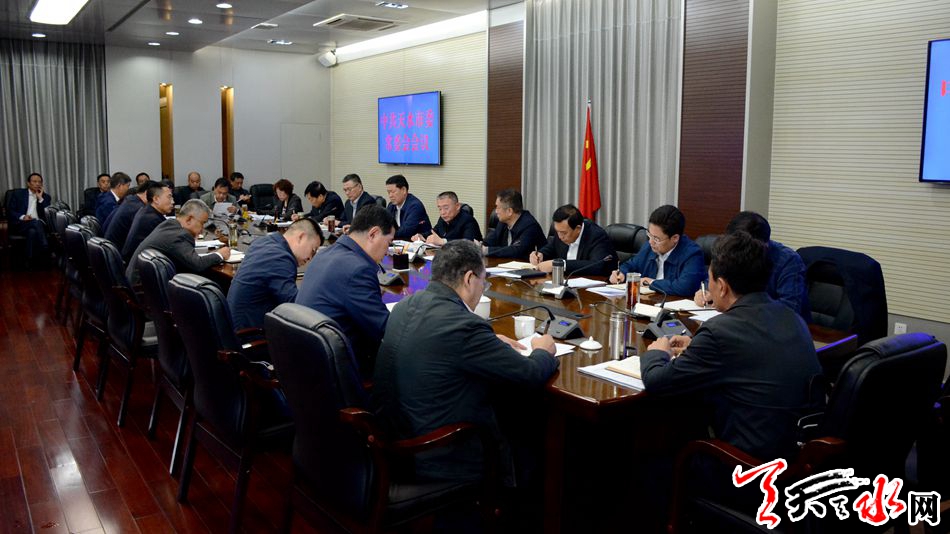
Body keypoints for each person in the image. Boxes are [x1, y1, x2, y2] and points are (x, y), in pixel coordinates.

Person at [372, 240, 558, 507]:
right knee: (529, 432)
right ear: (470, 278)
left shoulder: (406, 304)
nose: (483, 288)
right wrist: (543, 350)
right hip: (438, 454)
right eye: (484, 281)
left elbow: (443, 344)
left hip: (394, 437)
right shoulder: (464, 326)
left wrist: (489, 343)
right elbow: (529, 374)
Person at [641, 231, 822, 461]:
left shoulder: (720, 331)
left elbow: (657, 382)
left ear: (722, 286)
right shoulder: (791, 317)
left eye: (709, 279)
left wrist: (657, 353)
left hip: (743, 463)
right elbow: (751, 356)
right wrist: (697, 347)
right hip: (795, 454)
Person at [295, 205, 394, 373]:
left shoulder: (325, 254)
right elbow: (385, 330)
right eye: (388, 243)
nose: (387, 252)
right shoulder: (358, 269)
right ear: (373, 234)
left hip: (308, 359)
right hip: (337, 370)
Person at [692, 211, 810, 321]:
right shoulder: (730, 251)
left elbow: (789, 310)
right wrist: (706, 291)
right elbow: (716, 276)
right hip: (735, 321)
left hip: (777, 327)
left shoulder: (789, 261)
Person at [227, 219, 323, 331]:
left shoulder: (265, 242)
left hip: (233, 325)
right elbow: (295, 307)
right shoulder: (280, 258)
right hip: (249, 334)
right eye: (313, 250)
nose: (311, 258)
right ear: (301, 237)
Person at [126, 199, 230, 287]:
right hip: (143, 290)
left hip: (139, 283)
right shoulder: (179, 236)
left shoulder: (169, 224)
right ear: (189, 219)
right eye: (202, 223)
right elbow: (197, 264)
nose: (202, 229)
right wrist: (220, 254)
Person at [609, 204, 705, 296]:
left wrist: (651, 283)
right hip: (647, 303)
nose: (651, 241)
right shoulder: (649, 247)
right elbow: (631, 265)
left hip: (674, 305)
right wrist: (621, 273)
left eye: (656, 239)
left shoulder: (692, 254)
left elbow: (686, 287)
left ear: (675, 238)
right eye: (649, 235)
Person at [529, 204, 616, 276]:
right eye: (557, 231)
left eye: (563, 233)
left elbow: (597, 266)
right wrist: (540, 254)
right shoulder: (561, 230)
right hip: (565, 282)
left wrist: (561, 265)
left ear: (578, 229)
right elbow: (551, 247)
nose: (560, 236)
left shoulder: (596, 235)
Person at [481, 188, 546, 259]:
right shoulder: (503, 222)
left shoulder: (530, 226)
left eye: (498, 207)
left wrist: (486, 250)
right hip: (506, 263)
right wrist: (480, 246)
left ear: (509, 211)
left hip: (526, 264)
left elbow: (516, 250)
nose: (496, 211)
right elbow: (492, 240)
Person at [121, 182, 174, 262]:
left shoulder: (145, 210)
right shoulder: (153, 219)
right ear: (156, 199)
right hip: (138, 265)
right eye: (169, 197)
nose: (172, 201)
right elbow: (171, 247)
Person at [7, 172, 51, 267]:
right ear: (28, 183)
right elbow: (10, 211)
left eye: (39, 182)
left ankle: (29, 260)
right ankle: (45, 245)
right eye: (34, 181)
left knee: (32, 231)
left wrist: (40, 199)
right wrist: (23, 216)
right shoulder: (18, 194)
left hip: (37, 226)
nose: (37, 184)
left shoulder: (46, 197)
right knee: (36, 223)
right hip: (22, 224)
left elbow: (47, 215)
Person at [412, 191, 482, 245]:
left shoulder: (468, 220)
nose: (442, 212)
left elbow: (468, 243)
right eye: (440, 209)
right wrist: (421, 236)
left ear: (457, 206)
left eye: (446, 208)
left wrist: (443, 241)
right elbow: (434, 232)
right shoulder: (443, 219)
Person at [103, 181, 154, 251]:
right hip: (119, 251)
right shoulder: (138, 208)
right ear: (147, 193)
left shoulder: (131, 200)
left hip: (112, 248)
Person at [384, 174, 431, 240]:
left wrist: (385, 235)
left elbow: (406, 232)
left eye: (393, 192)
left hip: (417, 243)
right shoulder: (391, 205)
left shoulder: (415, 206)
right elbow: (384, 225)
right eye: (388, 192)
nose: (390, 196)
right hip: (399, 242)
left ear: (404, 190)